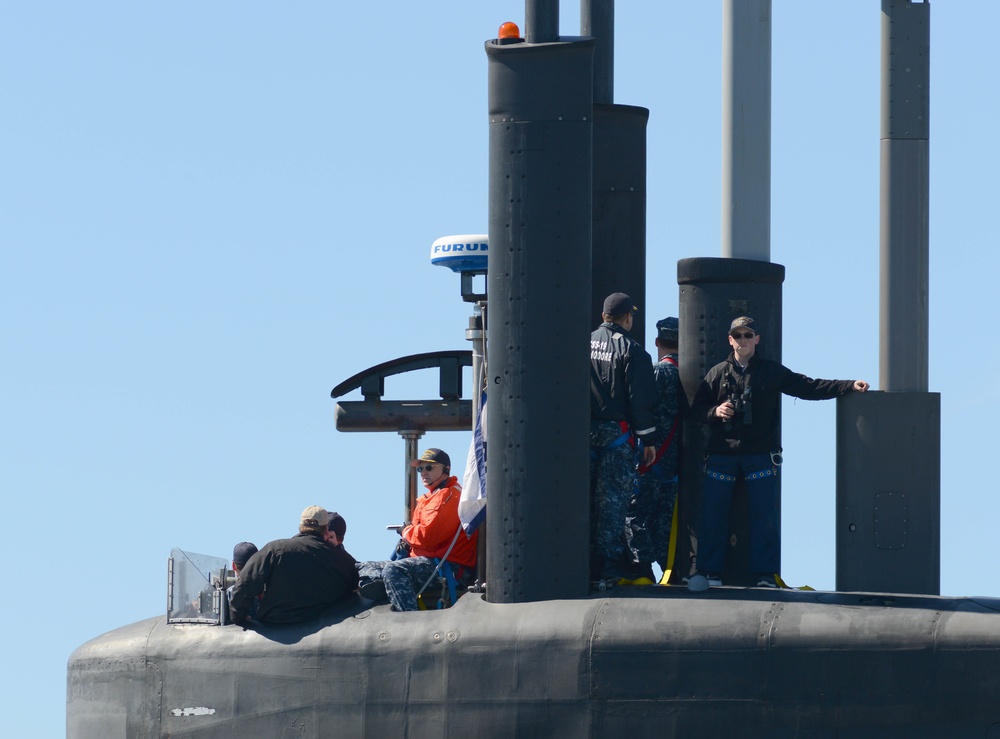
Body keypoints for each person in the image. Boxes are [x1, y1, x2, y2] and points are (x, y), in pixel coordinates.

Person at [688, 316, 869, 591]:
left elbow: (808, 386)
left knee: (764, 517)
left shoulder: (770, 372)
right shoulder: (716, 374)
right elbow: (696, 411)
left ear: (757, 339)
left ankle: (765, 575)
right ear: (730, 340)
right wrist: (716, 411)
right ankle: (710, 572)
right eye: (738, 336)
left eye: (748, 335)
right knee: (714, 515)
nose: (743, 340)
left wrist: (847, 385)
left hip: (759, 454)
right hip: (722, 454)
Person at [589, 292, 658, 587]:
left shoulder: (581, 342)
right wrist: (649, 439)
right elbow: (640, 400)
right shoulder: (633, 351)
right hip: (615, 435)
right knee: (613, 502)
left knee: (580, 498)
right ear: (628, 317)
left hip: (578, 434)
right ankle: (607, 564)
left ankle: (580, 558)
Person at [357, 448, 478, 611]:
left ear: (446, 470)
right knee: (361, 567)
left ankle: (409, 621)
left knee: (394, 570)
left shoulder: (449, 496)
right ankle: (381, 584)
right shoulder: (434, 496)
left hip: (448, 566)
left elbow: (428, 537)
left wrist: (406, 532)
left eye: (429, 467)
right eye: (421, 468)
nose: (423, 472)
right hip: (426, 560)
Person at [623, 316, 684, 582]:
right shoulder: (690, 373)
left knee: (634, 513)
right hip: (675, 464)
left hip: (651, 458)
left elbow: (642, 408)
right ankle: (670, 570)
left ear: (658, 342)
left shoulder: (658, 371)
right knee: (662, 521)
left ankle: (642, 568)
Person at [228, 506, 359, 625]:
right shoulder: (345, 561)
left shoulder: (275, 549)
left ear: (300, 526)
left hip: (275, 631)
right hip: (324, 633)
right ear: (325, 529)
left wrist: (238, 616)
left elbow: (246, 582)